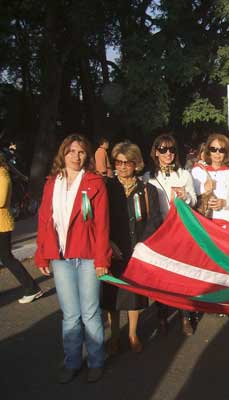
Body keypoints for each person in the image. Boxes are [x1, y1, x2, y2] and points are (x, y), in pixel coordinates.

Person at [34, 134, 111, 384]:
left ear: (87, 155)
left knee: (90, 313)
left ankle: (97, 361)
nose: (76, 156)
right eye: (71, 151)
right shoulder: (50, 183)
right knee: (70, 315)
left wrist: (102, 260)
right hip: (60, 257)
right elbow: (45, 221)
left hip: (88, 256)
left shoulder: (94, 182)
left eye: (80, 152)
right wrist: (42, 254)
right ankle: (72, 362)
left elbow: (102, 225)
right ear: (63, 154)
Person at [103, 142, 162, 354]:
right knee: (112, 295)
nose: (122, 166)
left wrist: (142, 244)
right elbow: (100, 219)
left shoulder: (148, 190)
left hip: (137, 248)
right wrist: (107, 242)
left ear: (136, 164)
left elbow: (154, 220)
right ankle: (115, 336)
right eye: (118, 162)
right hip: (113, 247)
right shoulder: (107, 187)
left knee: (134, 294)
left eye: (127, 162)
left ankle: (133, 333)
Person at [145, 133, 197, 336]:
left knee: (181, 274)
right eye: (163, 149)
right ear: (156, 152)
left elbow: (193, 199)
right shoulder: (148, 177)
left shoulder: (184, 174)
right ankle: (162, 315)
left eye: (172, 149)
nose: (168, 154)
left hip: (180, 231)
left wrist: (187, 196)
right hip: (159, 233)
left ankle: (185, 316)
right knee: (161, 275)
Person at [0, 153, 43, 303]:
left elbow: (1, 200)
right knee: (6, 258)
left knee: (7, 258)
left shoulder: (3, 176)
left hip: (2, 225)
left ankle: (32, 288)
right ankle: (32, 287)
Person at [191, 133, 229, 231]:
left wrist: (224, 203)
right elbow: (191, 197)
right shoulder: (197, 171)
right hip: (202, 222)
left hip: (224, 225)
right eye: (213, 149)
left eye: (222, 150)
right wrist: (204, 188)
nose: (217, 153)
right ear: (208, 151)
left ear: (226, 153)